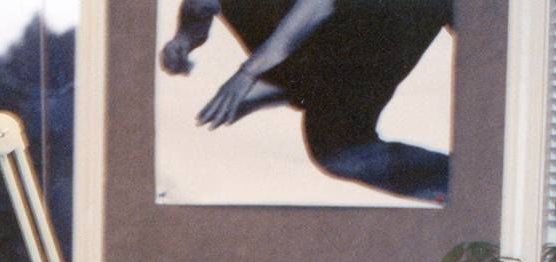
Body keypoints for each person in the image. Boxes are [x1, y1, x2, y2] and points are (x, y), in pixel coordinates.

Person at [159, 0, 454, 202]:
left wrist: (248, 72)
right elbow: (199, 8)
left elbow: (318, 5)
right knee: (336, 150)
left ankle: (469, 187)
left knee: (337, 148)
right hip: (326, 45)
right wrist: (183, 42)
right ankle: (290, 82)